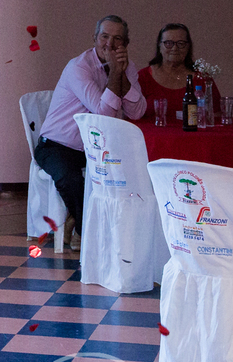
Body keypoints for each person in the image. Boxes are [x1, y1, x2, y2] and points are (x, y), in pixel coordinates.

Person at [35, 15, 146, 233]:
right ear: (94, 38)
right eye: (104, 37)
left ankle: (126, 231)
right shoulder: (79, 67)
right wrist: (115, 73)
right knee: (71, 180)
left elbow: (137, 112)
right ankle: (88, 234)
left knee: (131, 173)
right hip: (57, 145)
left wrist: (121, 75)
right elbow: (103, 115)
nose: (110, 44)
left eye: (117, 39)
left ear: (126, 44)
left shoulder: (128, 67)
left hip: (96, 148)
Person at [138, 23, 220, 122]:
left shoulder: (202, 77)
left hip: (193, 132)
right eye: (168, 43)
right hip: (152, 132)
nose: (174, 48)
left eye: (181, 43)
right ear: (159, 46)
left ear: (188, 47)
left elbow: (216, 115)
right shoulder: (143, 77)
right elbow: (131, 117)